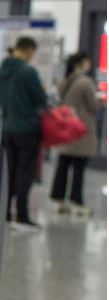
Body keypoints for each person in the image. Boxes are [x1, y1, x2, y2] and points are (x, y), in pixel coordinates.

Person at [0, 37, 47, 231]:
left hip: (7, 128)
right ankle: (22, 216)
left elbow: (1, 99)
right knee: (25, 173)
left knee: (9, 172)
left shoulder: (0, 72)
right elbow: (40, 99)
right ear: (29, 50)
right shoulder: (28, 72)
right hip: (28, 129)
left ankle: (6, 214)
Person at [51, 51, 99, 216]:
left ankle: (58, 198)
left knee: (63, 164)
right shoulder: (85, 82)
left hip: (65, 126)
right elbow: (92, 105)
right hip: (80, 128)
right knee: (79, 167)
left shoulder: (64, 81)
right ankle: (76, 201)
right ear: (82, 63)